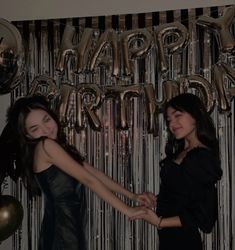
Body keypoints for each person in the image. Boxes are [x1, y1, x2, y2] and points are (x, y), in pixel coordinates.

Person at [6, 94, 156, 250]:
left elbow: (94, 174)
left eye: (46, 120)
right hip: (63, 231)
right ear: (27, 135)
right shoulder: (46, 146)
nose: (45, 129)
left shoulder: (55, 147)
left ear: (53, 116)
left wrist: (132, 196)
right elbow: (88, 180)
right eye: (35, 128)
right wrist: (128, 210)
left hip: (68, 226)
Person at [130, 93, 223, 250]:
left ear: (196, 114)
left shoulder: (200, 157)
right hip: (170, 239)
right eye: (169, 119)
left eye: (178, 115)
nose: (172, 123)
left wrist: (159, 222)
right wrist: (156, 199)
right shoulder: (184, 151)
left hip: (184, 241)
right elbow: (183, 196)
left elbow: (203, 214)